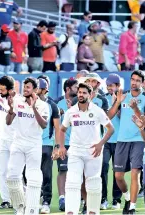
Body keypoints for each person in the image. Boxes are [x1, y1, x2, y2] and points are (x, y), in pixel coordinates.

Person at [59, 83, 114, 215]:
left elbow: (110, 128)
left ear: (91, 95)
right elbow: (62, 129)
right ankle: (71, 211)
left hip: (93, 152)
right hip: (75, 152)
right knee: (72, 182)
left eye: (84, 93)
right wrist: (61, 146)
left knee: (93, 183)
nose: (81, 95)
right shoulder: (71, 111)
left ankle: (92, 212)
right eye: (79, 92)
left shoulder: (97, 110)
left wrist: (101, 143)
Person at [108, 70, 145, 214]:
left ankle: (132, 207)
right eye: (132, 79)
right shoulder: (123, 95)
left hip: (139, 139)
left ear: (143, 83)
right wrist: (118, 102)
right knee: (118, 176)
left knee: (135, 173)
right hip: (122, 140)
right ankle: (127, 198)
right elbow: (109, 115)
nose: (134, 82)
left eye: (138, 80)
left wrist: (135, 108)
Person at [6, 77, 49, 215]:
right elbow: (8, 121)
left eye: (28, 87)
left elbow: (43, 125)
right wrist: (10, 108)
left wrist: (34, 107)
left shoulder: (42, 105)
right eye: (24, 87)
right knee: (12, 176)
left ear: (35, 90)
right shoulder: (17, 101)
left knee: (33, 178)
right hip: (18, 142)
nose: (25, 90)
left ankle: (32, 209)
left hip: (33, 145)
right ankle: (20, 207)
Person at [0, 75, 20, 209]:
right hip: (1, 141)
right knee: (2, 171)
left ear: (10, 90)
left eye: (2, 89)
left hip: (15, 140)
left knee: (16, 171)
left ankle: (19, 198)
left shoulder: (20, 101)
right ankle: (6, 199)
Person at [36, 77, 60, 214]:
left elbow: (57, 128)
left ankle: (46, 201)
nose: (36, 90)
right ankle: (32, 199)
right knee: (26, 173)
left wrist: (57, 147)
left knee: (46, 174)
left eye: (38, 88)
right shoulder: (27, 102)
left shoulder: (52, 105)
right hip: (30, 143)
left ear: (45, 90)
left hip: (46, 144)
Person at [55, 78, 79, 211]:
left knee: (78, 171)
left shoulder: (80, 102)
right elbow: (54, 126)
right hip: (64, 143)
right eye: (76, 87)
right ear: (68, 89)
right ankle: (62, 198)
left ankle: (79, 198)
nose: (78, 90)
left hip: (77, 143)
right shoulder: (57, 103)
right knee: (63, 170)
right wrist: (57, 145)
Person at [100, 73, 123, 210]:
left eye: (111, 86)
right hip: (106, 139)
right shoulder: (103, 99)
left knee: (117, 171)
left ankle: (116, 199)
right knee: (103, 167)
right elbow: (105, 117)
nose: (109, 88)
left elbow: (122, 117)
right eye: (108, 85)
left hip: (120, 140)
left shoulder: (123, 99)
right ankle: (103, 198)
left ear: (118, 86)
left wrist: (117, 103)